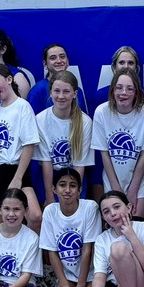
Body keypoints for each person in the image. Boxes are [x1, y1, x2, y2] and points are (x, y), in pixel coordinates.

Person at [0, 62, 41, 229]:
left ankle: (34, 254)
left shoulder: (22, 107)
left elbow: (29, 145)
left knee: (34, 216)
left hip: (15, 169)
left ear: (9, 79)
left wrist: (18, 178)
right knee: (7, 226)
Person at [92, 68, 144, 218]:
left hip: (139, 177)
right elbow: (104, 155)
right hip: (113, 176)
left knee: (136, 219)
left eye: (129, 88)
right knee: (116, 220)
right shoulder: (102, 112)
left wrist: (133, 191)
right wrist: (117, 191)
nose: (123, 92)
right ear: (113, 90)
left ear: (136, 92)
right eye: (119, 87)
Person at [40, 167, 100, 287]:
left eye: (72, 186)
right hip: (67, 276)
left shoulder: (90, 208)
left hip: (90, 275)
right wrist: (65, 284)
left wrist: (81, 285)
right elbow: (52, 252)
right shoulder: (50, 211)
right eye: (62, 185)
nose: (67, 190)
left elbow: (88, 250)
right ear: (54, 189)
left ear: (80, 190)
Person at [35, 70, 93, 202]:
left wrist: (74, 194)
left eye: (66, 91)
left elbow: (80, 164)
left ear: (75, 94)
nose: (61, 96)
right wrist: (49, 196)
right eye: (56, 91)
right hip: (50, 178)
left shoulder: (85, 122)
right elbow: (46, 162)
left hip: (75, 178)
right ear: (50, 92)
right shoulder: (40, 120)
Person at [27, 43, 88, 114]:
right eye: (53, 58)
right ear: (45, 64)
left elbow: (82, 119)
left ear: (67, 61)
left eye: (62, 57)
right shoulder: (37, 91)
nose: (59, 61)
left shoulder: (77, 90)